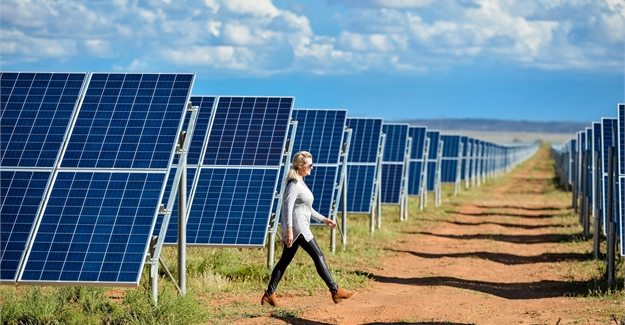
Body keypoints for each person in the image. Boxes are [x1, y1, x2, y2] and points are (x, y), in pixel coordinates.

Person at [261, 151, 354, 306]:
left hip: (300, 226)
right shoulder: (293, 184)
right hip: (299, 228)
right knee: (319, 256)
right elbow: (287, 208)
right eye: (310, 165)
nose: (312, 167)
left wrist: (324, 219)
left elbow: (307, 209)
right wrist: (289, 230)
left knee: (284, 261)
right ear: (300, 165)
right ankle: (335, 290)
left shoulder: (301, 182)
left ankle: (269, 294)